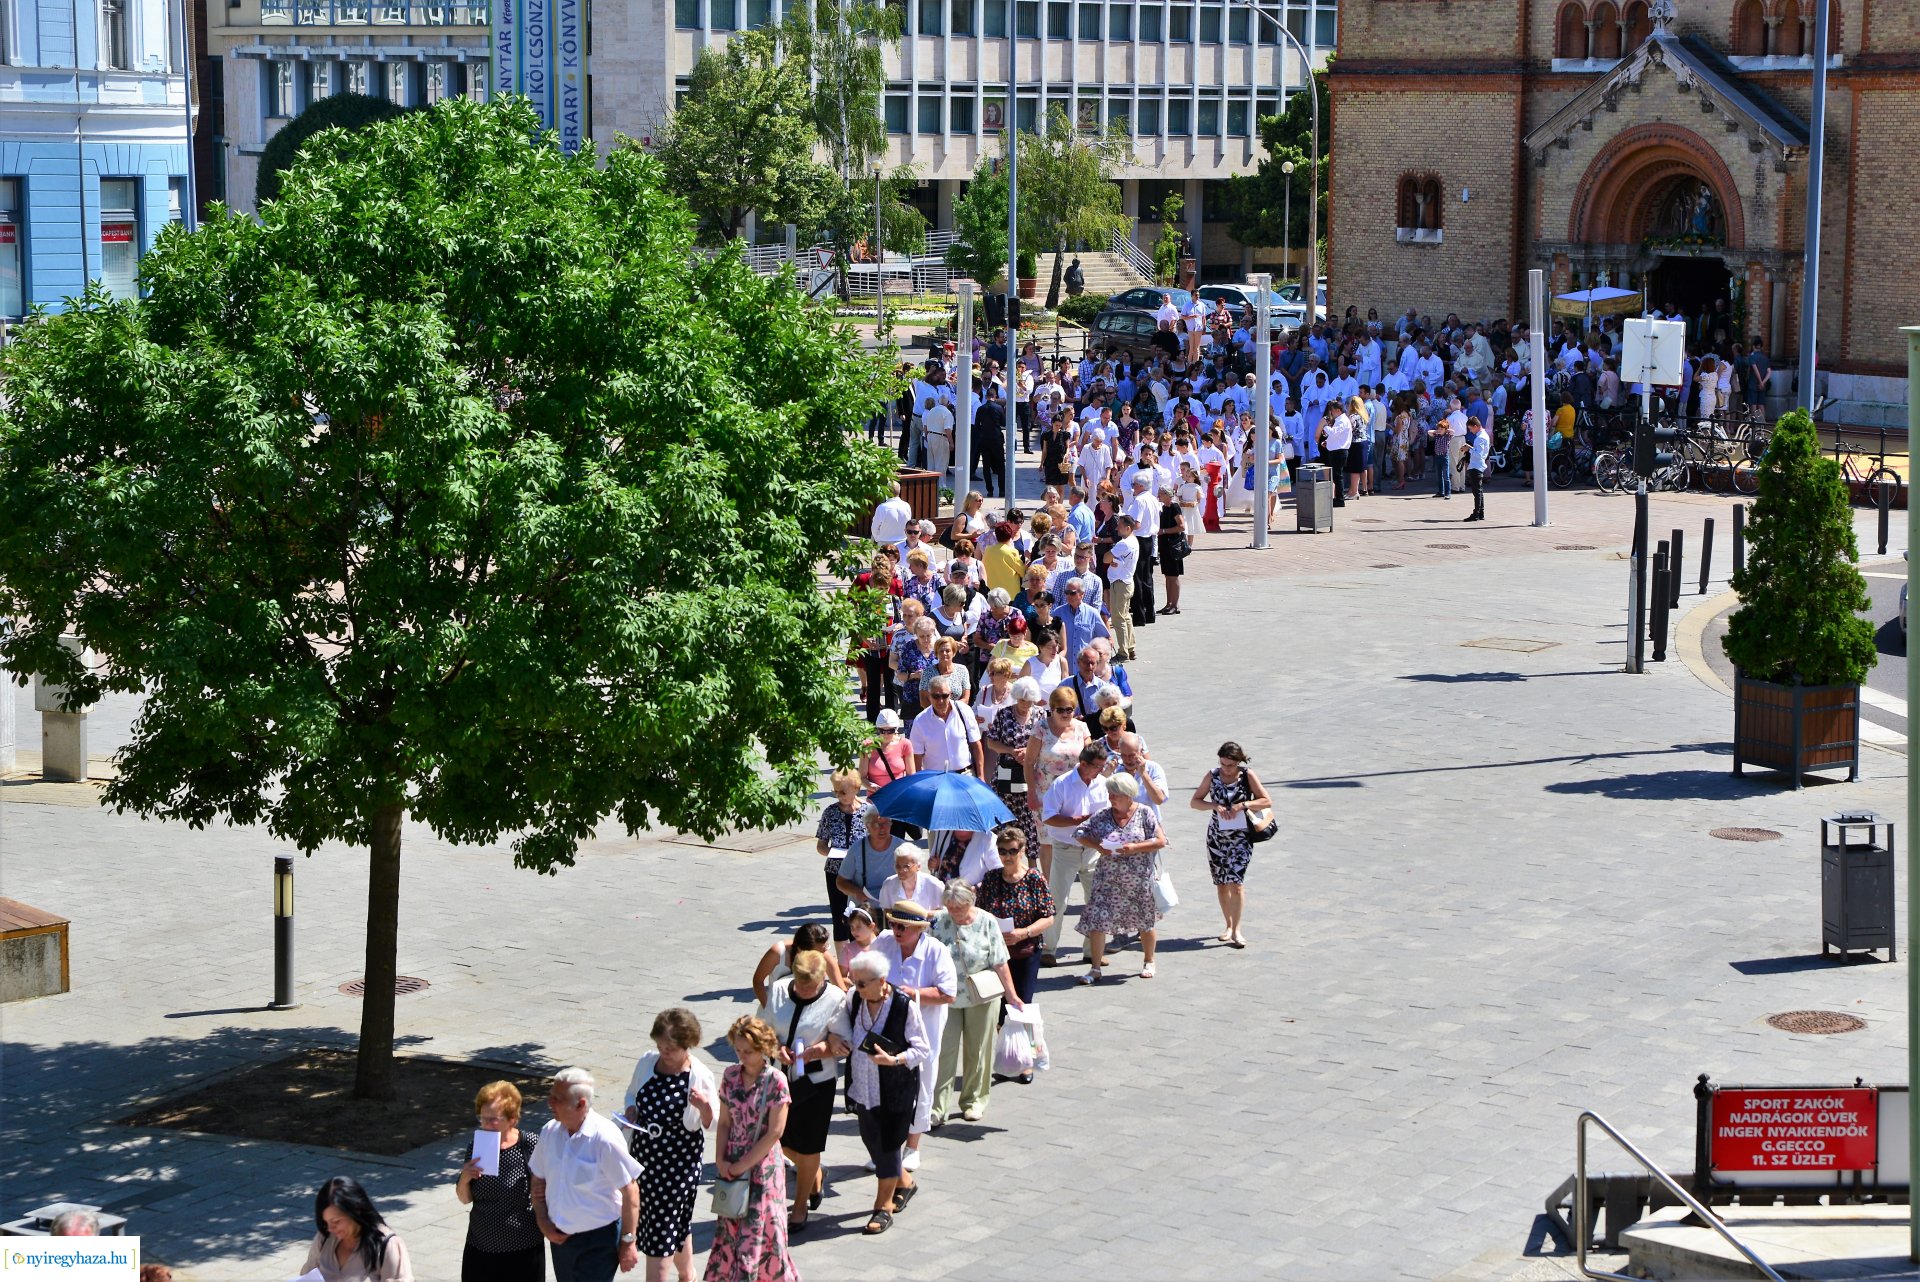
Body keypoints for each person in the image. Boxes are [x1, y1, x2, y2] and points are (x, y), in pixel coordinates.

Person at [830, 952, 931, 1236]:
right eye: (853, 980)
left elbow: (922, 1049)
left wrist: (894, 1060)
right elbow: (839, 1028)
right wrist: (836, 1040)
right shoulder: (854, 999)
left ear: (882, 981)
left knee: (887, 1147)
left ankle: (882, 1206)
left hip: (895, 1089)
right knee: (871, 1141)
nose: (855, 986)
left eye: (861, 983)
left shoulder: (903, 1006)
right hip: (863, 1088)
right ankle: (905, 1182)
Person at [756, 951, 848, 1236]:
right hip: (779, 1080)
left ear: (822, 979)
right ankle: (815, 1175)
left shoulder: (835, 998)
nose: (806, 990)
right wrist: (774, 1049)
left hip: (816, 1082)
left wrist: (824, 1048)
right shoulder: (779, 991)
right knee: (777, 1140)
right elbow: (762, 1030)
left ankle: (799, 1206)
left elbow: (844, 1040)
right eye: (801, 985)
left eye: (812, 986)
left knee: (809, 1147)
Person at [623, 1010, 717, 1282]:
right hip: (644, 1161)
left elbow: (713, 1123)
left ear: (688, 1045)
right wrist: (631, 1109)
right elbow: (632, 1092)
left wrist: (703, 1106)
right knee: (676, 1224)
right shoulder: (646, 1063)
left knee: (660, 1236)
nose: (664, 1052)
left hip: (678, 1168)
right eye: (660, 1046)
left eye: (671, 1048)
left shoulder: (699, 1075)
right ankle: (688, 1275)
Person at [704, 1017, 797, 1282]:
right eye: (738, 1050)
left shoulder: (776, 1080)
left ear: (764, 1047)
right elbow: (723, 1122)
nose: (743, 1056)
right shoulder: (731, 1076)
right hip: (732, 1160)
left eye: (749, 1051)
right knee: (730, 1230)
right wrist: (720, 1160)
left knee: (761, 1232)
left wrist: (741, 1165)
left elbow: (775, 1133)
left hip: (763, 1168)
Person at [531, 1069, 642, 1282]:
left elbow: (631, 1191)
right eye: (551, 1096)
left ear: (581, 1104)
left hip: (598, 1241)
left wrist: (628, 1243)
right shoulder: (550, 1132)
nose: (550, 1103)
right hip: (561, 1241)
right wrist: (543, 1220)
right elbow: (538, 1179)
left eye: (558, 1099)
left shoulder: (604, 1139)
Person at [870, 901, 956, 1171]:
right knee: (884, 1086)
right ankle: (886, 1150)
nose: (895, 930)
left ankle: (913, 1145)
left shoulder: (936, 951)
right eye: (893, 923)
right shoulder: (884, 943)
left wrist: (913, 994)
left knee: (920, 1084)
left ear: (919, 929)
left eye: (902, 926)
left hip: (923, 1032)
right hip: (886, 1028)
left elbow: (948, 993)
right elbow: (865, 971)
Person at [929, 880, 1025, 1123]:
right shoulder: (939, 921)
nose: (953, 912)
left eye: (958, 908)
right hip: (946, 998)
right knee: (943, 1052)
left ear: (970, 902)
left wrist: (1011, 996)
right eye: (949, 907)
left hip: (981, 995)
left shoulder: (986, 921)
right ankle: (937, 1108)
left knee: (979, 1050)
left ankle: (973, 1101)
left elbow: (1000, 962)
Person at [1072, 771, 1167, 984]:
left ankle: (1149, 960)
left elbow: (1161, 841)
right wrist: (1099, 847)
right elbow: (1079, 833)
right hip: (1107, 879)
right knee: (1097, 921)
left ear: (1128, 794)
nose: (1111, 798)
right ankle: (1095, 969)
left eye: (1115, 794)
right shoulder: (1104, 814)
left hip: (1138, 879)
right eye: (1110, 793)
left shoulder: (1145, 813)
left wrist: (1135, 847)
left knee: (1145, 921)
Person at [457, 1081, 543, 1282]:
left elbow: (545, 1189)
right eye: (482, 1118)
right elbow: (464, 1199)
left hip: (523, 1249)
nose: (486, 1124)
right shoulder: (476, 1146)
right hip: (480, 1248)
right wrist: (464, 1178)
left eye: (493, 1119)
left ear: (512, 1119)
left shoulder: (529, 1144)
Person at [1190, 740, 1270, 949]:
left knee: (1237, 883)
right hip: (1217, 836)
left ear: (1238, 762)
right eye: (1223, 764)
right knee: (1221, 883)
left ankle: (1237, 930)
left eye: (1230, 765)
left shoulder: (1247, 775)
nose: (1226, 769)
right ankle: (1227, 925)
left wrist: (1243, 805)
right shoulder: (1213, 775)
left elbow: (1266, 800)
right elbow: (1195, 801)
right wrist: (1214, 806)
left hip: (1241, 837)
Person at [1039, 742, 1111, 963]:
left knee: (1096, 901)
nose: (1100, 770)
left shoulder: (1102, 783)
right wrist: (1076, 820)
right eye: (1097, 766)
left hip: (1093, 849)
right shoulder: (1062, 784)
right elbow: (1048, 817)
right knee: (1058, 901)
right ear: (1083, 764)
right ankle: (1048, 950)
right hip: (1065, 848)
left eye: (1103, 765)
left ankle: (1093, 951)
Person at [973, 828, 1055, 1017]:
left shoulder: (1034, 878)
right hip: (995, 952)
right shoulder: (991, 878)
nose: (1007, 856)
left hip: (1026, 950)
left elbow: (1049, 917)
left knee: (1021, 1004)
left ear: (1022, 851)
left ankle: (1021, 1044)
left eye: (1012, 851)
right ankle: (1001, 1042)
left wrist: (1024, 932)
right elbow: (980, 912)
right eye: (1002, 851)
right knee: (997, 1007)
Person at [302, 1177, 414, 1282]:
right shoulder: (324, 1238)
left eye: (336, 1221)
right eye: (326, 1222)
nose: (330, 1228)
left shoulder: (387, 1245)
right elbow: (305, 1276)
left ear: (356, 1211)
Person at [814, 769, 869, 946]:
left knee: (860, 916)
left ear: (856, 788)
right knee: (839, 918)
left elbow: (875, 842)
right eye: (835, 791)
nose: (839, 796)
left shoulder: (868, 812)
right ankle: (842, 964)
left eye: (843, 792)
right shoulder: (830, 812)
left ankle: (860, 958)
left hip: (861, 872)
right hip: (835, 871)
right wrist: (834, 852)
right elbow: (821, 846)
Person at [751, 922, 844, 1007]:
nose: (824, 954)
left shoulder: (823, 951)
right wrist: (767, 1007)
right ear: (801, 950)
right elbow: (758, 981)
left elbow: (840, 989)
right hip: (778, 1004)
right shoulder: (777, 953)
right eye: (818, 952)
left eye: (825, 948)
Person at [909, 674, 984, 777]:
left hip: (965, 775)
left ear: (950, 694)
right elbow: (917, 756)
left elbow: (976, 745)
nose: (940, 701)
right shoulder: (920, 720)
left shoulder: (964, 710)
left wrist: (981, 776)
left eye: (944, 696)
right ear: (929, 696)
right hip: (935, 778)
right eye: (936, 696)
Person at [836, 811, 906, 916]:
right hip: (865, 912)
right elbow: (841, 882)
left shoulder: (902, 847)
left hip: (893, 910)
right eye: (877, 824)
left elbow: (914, 877)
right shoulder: (857, 849)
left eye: (886, 823)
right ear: (867, 826)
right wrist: (856, 892)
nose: (882, 829)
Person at [860, 709, 915, 794]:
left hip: (897, 796)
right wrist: (871, 786)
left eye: (890, 731)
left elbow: (911, 777)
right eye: (882, 731)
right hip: (876, 797)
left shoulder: (905, 744)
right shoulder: (868, 746)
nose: (886, 734)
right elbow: (861, 777)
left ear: (896, 729)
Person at [877, 844, 945, 914]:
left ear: (918, 866)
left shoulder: (934, 885)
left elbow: (943, 912)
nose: (901, 870)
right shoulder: (888, 884)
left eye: (906, 866)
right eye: (898, 866)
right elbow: (886, 910)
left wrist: (920, 916)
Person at [1156, 484, 1187, 616]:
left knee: (1174, 576)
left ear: (1168, 495)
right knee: (1167, 576)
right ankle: (1169, 603)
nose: (1159, 496)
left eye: (1161, 494)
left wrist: (1164, 531)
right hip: (1165, 546)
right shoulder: (1164, 508)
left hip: (1173, 546)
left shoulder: (1174, 507)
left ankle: (1175, 604)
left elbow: (1181, 526)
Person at [1462, 414, 1490, 522]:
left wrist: (1469, 449)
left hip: (1476, 466)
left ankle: (1476, 513)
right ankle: (1480, 512)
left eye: (1470, 428)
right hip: (1478, 465)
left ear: (1475, 426)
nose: (1470, 431)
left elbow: (1478, 454)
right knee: (1479, 491)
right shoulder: (1483, 435)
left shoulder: (1480, 438)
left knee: (1476, 492)